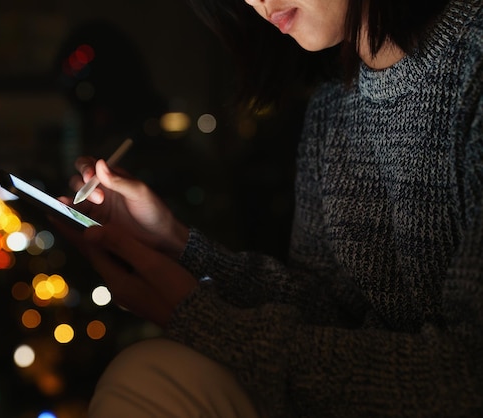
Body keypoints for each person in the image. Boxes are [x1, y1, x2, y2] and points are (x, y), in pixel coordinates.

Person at [56, 0, 483, 416]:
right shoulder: (333, 106)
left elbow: (467, 377)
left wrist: (200, 318)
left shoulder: (472, 60)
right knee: (145, 374)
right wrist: (175, 243)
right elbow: (328, 317)